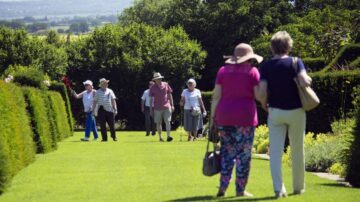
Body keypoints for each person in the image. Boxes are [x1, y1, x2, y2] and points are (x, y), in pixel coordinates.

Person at [256, 31, 311, 198]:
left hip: (276, 111)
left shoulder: (265, 66)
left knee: (275, 152)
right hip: (296, 111)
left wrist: (263, 103)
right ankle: (298, 187)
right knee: (297, 150)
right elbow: (304, 81)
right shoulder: (296, 62)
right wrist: (308, 79)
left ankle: (279, 189)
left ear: (272, 47)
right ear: (289, 46)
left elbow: (262, 91)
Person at [210, 43, 263, 197]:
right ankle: (240, 190)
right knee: (244, 156)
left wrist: (213, 118)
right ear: (249, 58)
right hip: (245, 117)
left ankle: (222, 187)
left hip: (225, 116)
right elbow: (259, 96)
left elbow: (216, 96)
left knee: (227, 153)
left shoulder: (223, 71)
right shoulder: (253, 72)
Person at [149, 72, 174, 142]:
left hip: (167, 106)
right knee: (158, 123)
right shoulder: (152, 88)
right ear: (155, 80)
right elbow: (151, 99)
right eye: (157, 79)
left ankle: (168, 136)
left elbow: (170, 95)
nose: (159, 80)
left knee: (168, 121)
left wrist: (172, 105)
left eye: (159, 78)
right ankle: (160, 137)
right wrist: (151, 109)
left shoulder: (166, 84)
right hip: (157, 108)